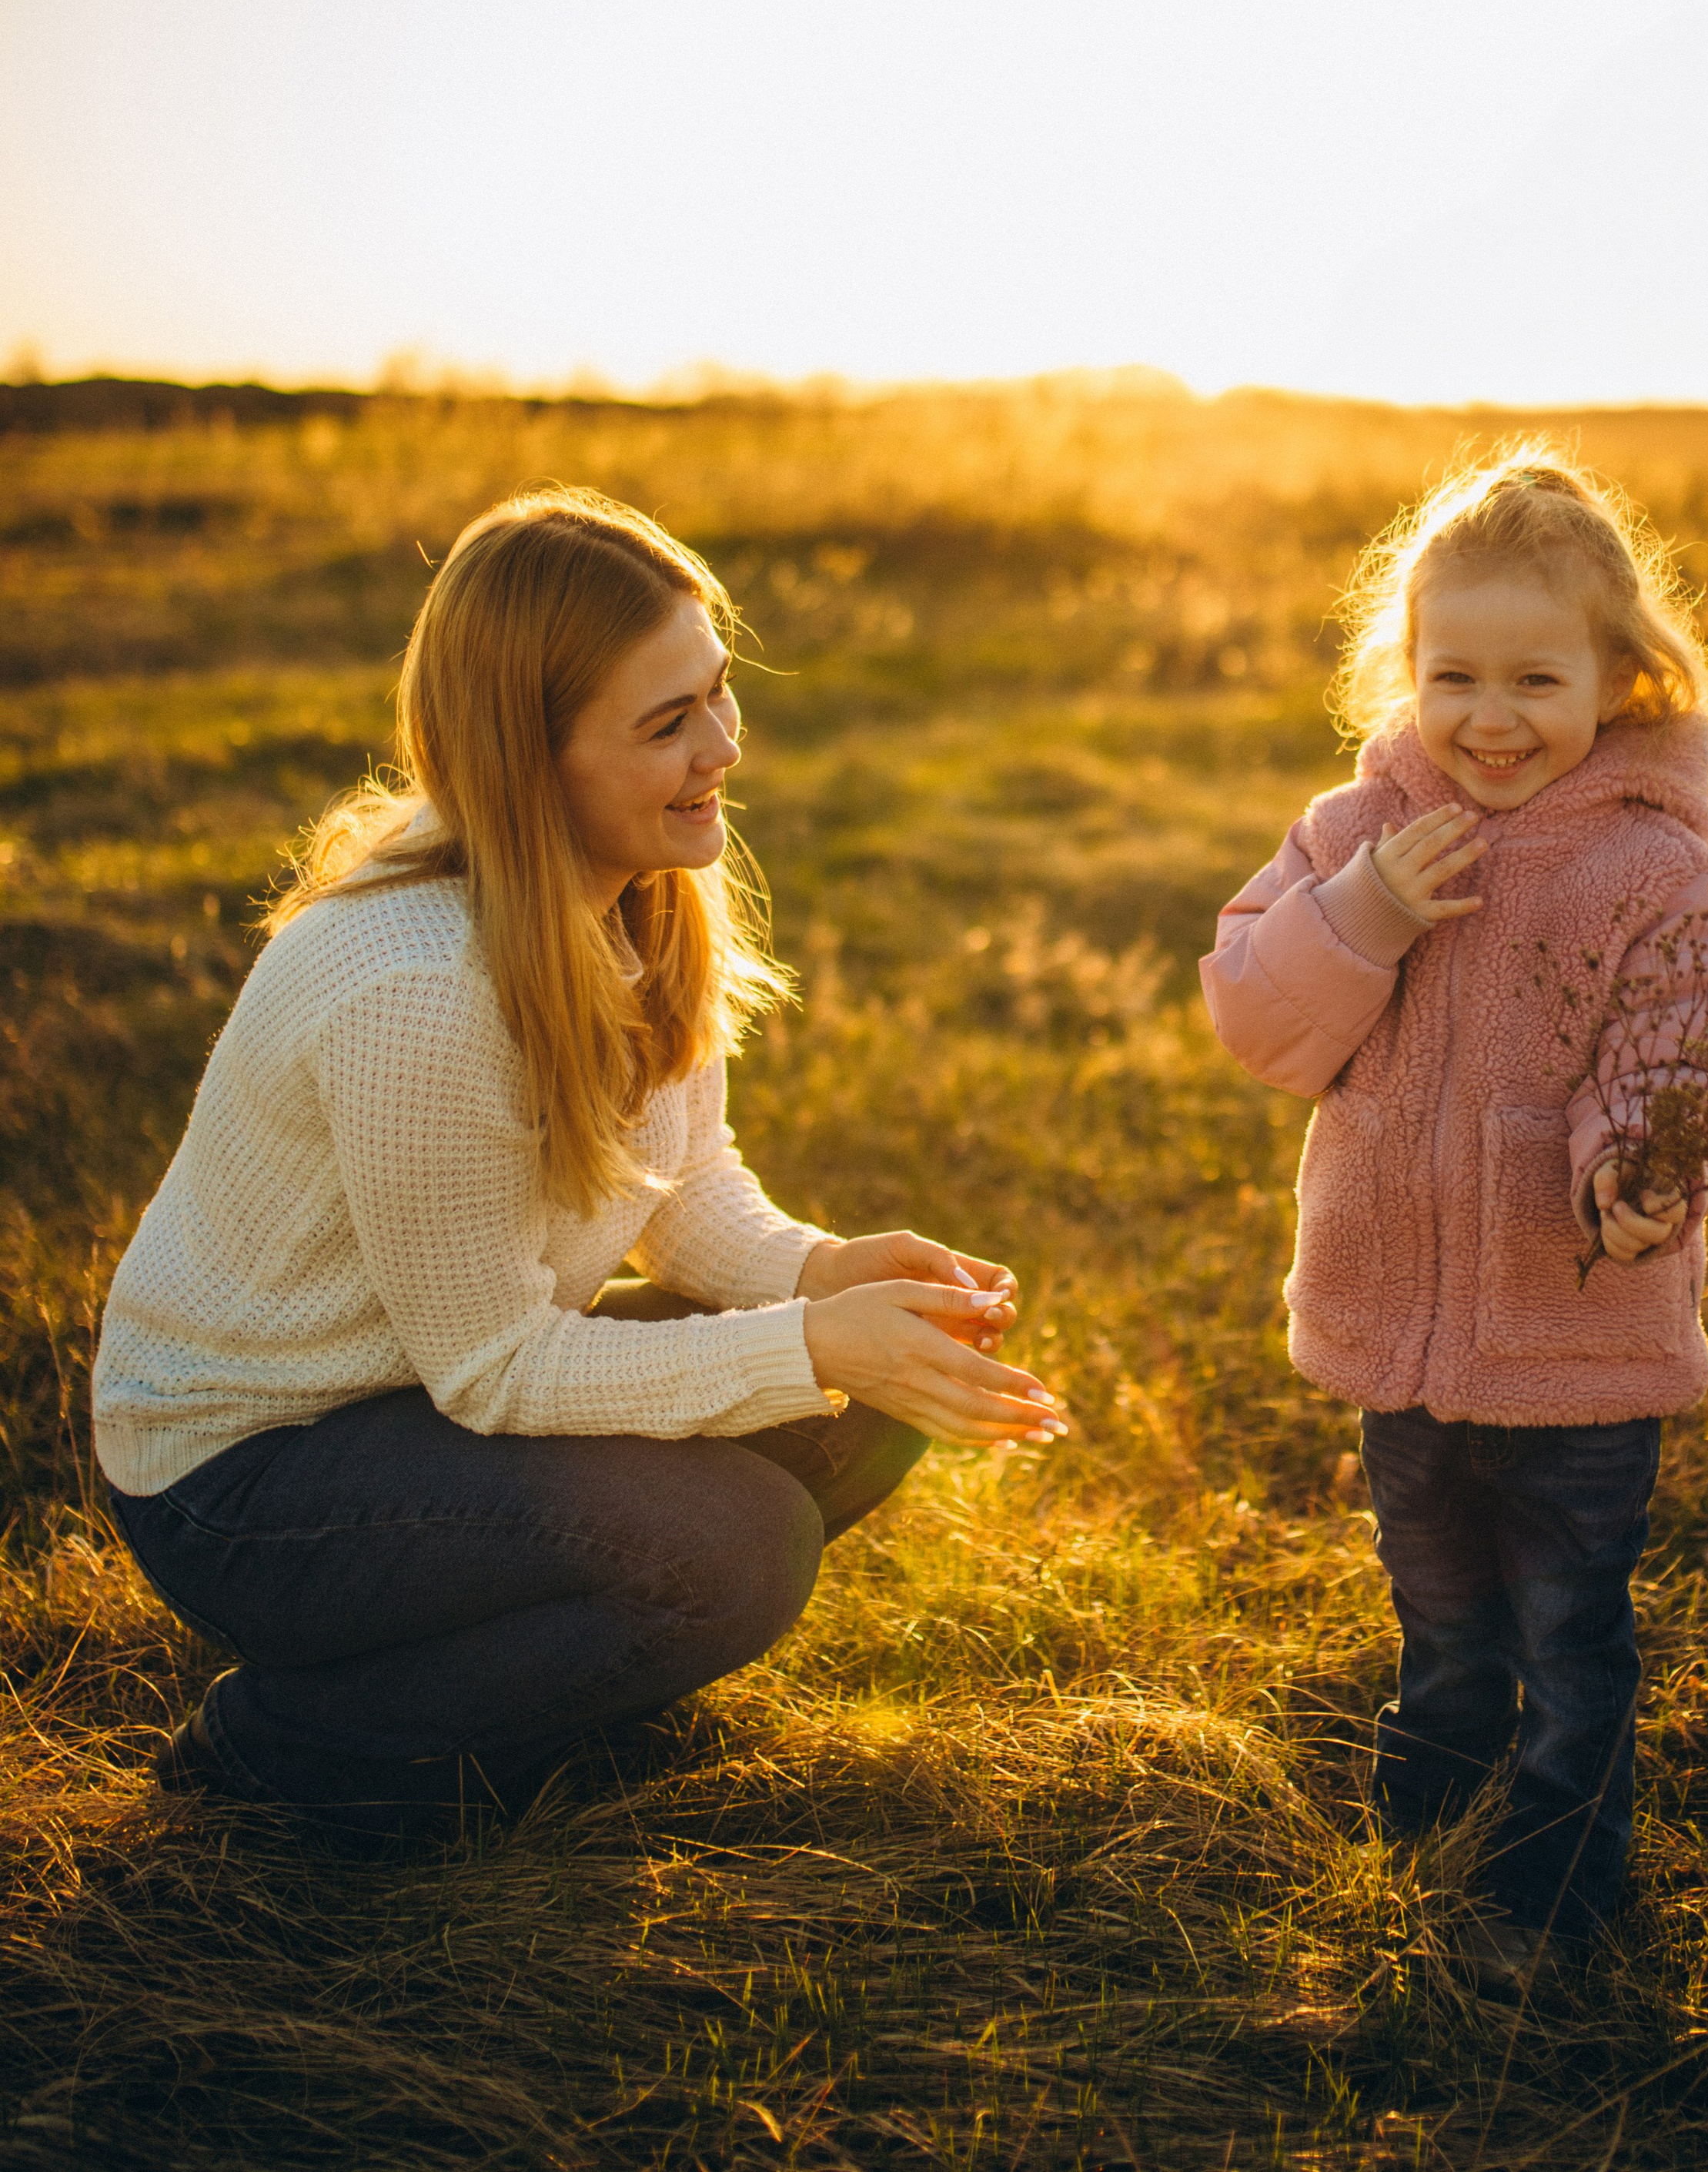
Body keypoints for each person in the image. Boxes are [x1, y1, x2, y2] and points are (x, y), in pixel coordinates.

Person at [92, 487, 1068, 1846]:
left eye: (717, 693)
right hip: (251, 1476)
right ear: (525, 761)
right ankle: (282, 1747)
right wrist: (809, 1339)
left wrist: (835, 1278)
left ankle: (511, 1685)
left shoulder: (645, 887)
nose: (722, 747)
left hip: (426, 1394)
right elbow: (493, 1370)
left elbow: (689, 1192)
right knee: (737, 1547)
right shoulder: (419, 989)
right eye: (666, 725)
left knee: (869, 1394)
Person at [1199, 452, 1708, 1991]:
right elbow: (1255, 1022)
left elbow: (1678, 1050)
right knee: (1440, 1615)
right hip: (1397, 1334)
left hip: (1573, 1338)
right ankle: (1418, 1821)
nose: (1488, 713)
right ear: (1403, 671)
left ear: (1617, 674)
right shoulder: (1352, 830)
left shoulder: (1652, 866)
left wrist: (1633, 1173)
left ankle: (1549, 1896)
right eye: (1451, 672)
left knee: (1570, 1638)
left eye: (1533, 674)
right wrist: (1359, 913)